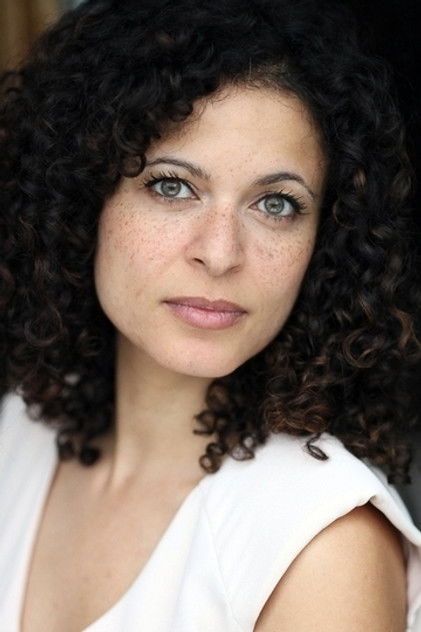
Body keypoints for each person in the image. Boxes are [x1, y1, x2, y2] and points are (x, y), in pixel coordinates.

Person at [0, 0, 420, 630]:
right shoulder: (20, 432)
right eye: (172, 186)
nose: (221, 254)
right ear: (83, 200)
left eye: (276, 204)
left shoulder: (320, 544)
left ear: (325, 242)